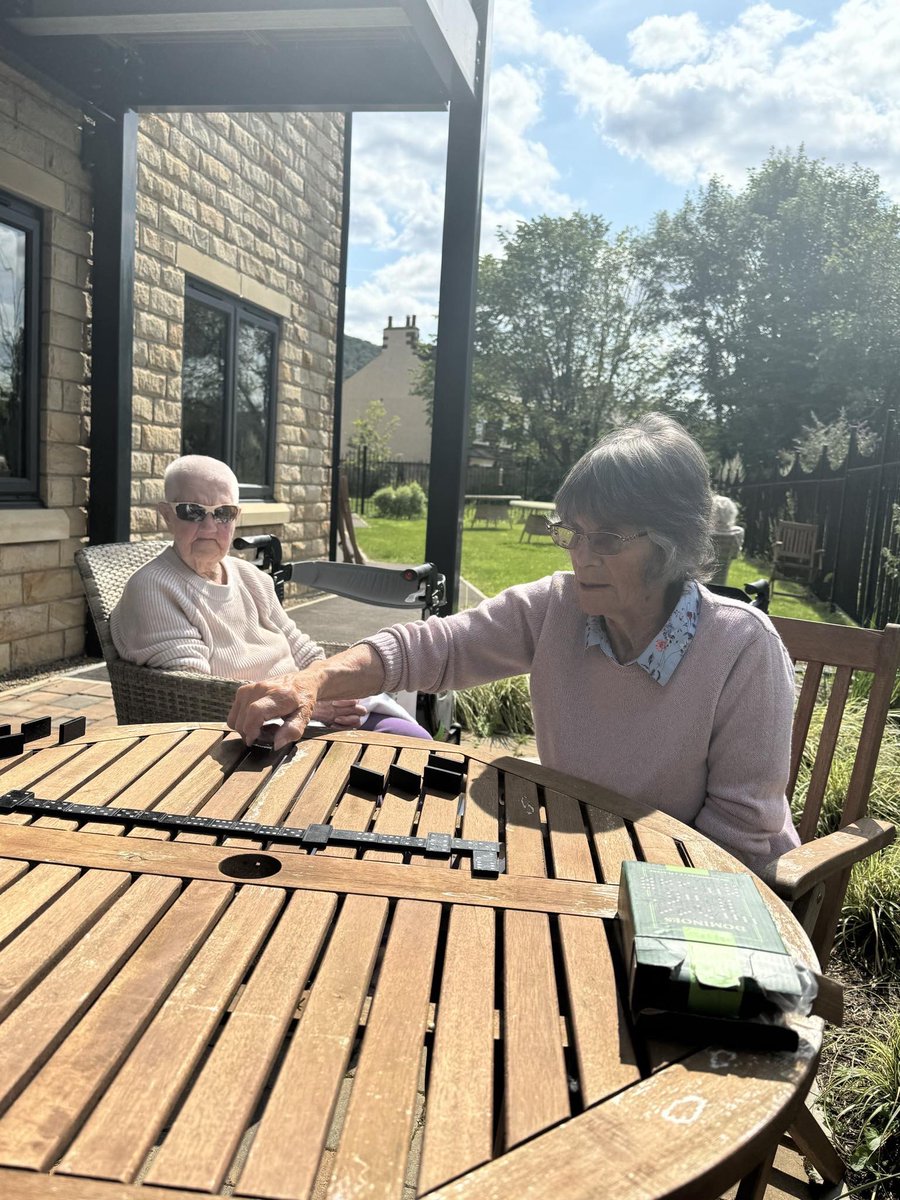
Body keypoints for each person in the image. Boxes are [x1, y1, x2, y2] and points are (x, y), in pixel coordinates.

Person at [228, 415, 801, 872]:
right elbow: (433, 647)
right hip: (582, 855)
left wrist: (595, 882)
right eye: (572, 533)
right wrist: (309, 682)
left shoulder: (741, 648)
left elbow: (739, 837)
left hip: (697, 895)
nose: (581, 556)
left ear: (673, 542)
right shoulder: (559, 606)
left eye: (607, 538)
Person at [110, 454, 431, 739]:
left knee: (416, 745)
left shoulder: (249, 576)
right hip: (250, 731)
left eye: (223, 513)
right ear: (166, 515)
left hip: (309, 706)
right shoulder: (153, 588)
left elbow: (300, 646)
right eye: (192, 511)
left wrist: (327, 689)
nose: (209, 525)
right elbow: (195, 691)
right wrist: (312, 706)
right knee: (393, 764)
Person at [709, 494, 745, 586]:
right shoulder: (737, 533)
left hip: (701, 579)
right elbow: (734, 555)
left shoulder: (705, 532)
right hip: (720, 582)